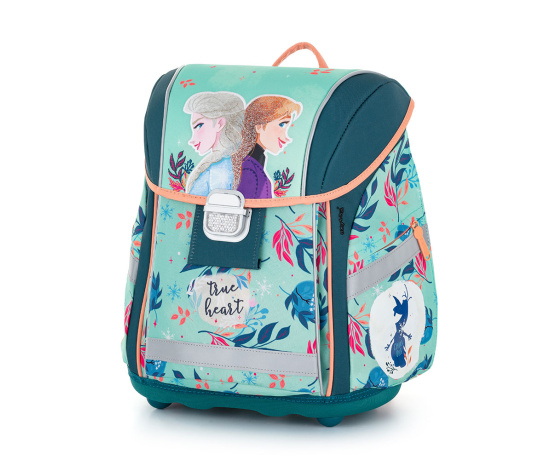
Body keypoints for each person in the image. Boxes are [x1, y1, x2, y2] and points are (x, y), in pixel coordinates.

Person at [231, 95, 302, 199]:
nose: (287, 138)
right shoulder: (250, 170)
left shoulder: (249, 164)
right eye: (282, 125)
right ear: (259, 127)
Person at [183, 92, 245, 195]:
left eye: (199, 126)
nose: (192, 140)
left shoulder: (218, 168)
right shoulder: (238, 160)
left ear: (220, 123)